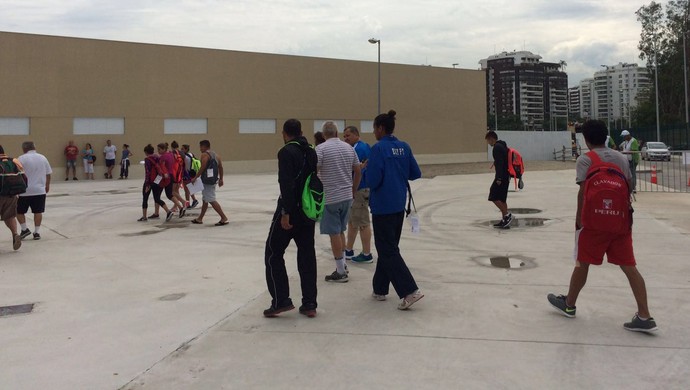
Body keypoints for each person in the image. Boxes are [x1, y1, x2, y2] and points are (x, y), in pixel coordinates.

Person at [547, 119, 657, 333]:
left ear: (586, 139)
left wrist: (578, 221)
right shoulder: (621, 158)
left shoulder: (585, 160)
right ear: (606, 136)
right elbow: (629, 187)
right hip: (620, 222)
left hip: (593, 223)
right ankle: (644, 315)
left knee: (582, 263)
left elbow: (583, 192)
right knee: (630, 267)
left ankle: (569, 304)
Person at [366, 110, 424, 310]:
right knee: (388, 247)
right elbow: (415, 173)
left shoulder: (378, 149)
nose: (374, 132)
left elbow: (373, 179)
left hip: (382, 206)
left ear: (381, 128)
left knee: (387, 249)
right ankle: (380, 288)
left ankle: (409, 290)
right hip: (399, 204)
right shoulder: (404, 147)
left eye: (374, 128)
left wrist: (361, 174)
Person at [263, 119, 319, 318]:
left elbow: (286, 184)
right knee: (307, 255)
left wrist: (286, 212)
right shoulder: (311, 151)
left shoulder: (286, 152)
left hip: (290, 210)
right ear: (301, 132)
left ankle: (281, 300)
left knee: (273, 252)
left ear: (284, 133)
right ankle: (310, 302)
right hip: (307, 210)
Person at [316, 121, 361, 283]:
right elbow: (357, 170)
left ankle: (340, 270)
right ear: (336, 133)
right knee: (341, 230)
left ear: (323, 135)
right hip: (347, 195)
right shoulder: (348, 148)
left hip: (330, 197)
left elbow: (315, 170)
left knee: (333, 233)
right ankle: (343, 263)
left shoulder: (320, 149)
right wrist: (353, 189)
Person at [342, 125, 374, 263]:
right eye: (344, 136)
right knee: (353, 221)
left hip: (360, 189)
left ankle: (367, 253)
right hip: (360, 189)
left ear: (356, 134)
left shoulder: (358, 149)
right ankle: (348, 249)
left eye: (348, 135)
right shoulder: (365, 146)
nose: (345, 138)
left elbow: (353, 169)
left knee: (362, 222)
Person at [17, 141, 52, 241]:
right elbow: (48, 173)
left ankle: (24, 229)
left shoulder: (21, 158)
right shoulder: (43, 157)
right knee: (38, 211)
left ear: (24, 149)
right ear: (34, 147)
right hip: (39, 190)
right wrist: (47, 185)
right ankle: (36, 232)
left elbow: (18, 174)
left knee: (19, 211)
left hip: (24, 191)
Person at [190, 140, 229, 226]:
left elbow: (203, 167)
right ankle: (200, 218)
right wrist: (221, 179)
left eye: (200, 147)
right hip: (213, 180)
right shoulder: (216, 155)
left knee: (211, 199)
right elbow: (220, 167)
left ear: (204, 146)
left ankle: (223, 218)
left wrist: (195, 177)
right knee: (205, 199)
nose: (200, 149)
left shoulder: (204, 155)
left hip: (207, 181)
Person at [0, 145, 26, 250]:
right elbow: (24, 177)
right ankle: (15, 234)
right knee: (10, 217)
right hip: (12, 194)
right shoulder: (14, 161)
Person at [139, 144, 174, 222]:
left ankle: (144, 217)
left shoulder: (147, 159)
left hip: (150, 181)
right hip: (157, 181)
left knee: (145, 198)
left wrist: (147, 184)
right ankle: (168, 211)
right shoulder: (157, 157)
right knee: (157, 198)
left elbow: (147, 172)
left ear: (146, 152)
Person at [485, 131, 512, 228]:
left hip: (502, 176)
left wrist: (499, 178)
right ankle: (504, 220)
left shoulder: (496, 147)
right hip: (506, 175)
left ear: (491, 139)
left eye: (488, 141)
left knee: (493, 195)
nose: (488, 143)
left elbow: (500, 163)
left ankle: (507, 216)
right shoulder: (502, 145)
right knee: (502, 198)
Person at [181, 144, 199, 209]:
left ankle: (192, 202)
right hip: (192, 173)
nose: (181, 150)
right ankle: (192, 202)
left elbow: (184, 166)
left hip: (187, 174)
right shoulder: (191, 154)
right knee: (189, 189)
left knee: (187, 190)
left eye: (182, 149)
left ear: (186, 149)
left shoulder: (184, 157)